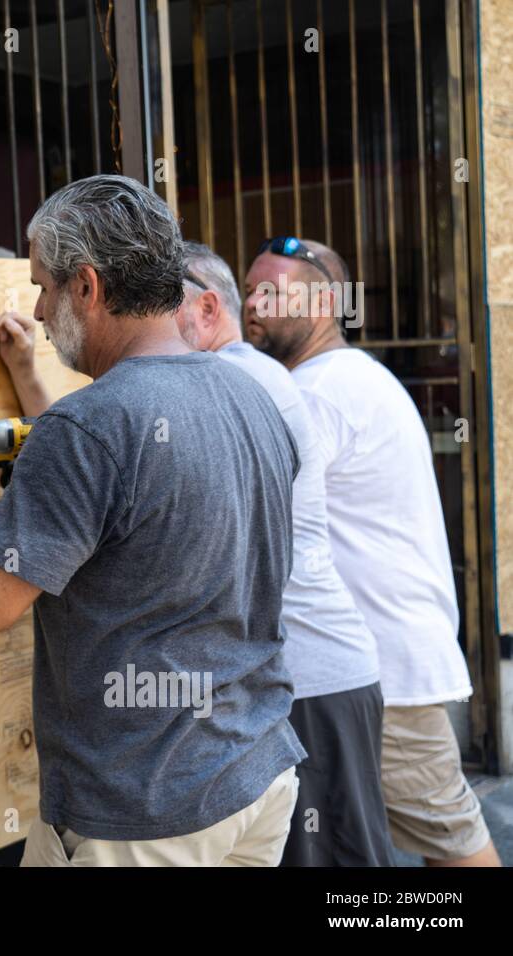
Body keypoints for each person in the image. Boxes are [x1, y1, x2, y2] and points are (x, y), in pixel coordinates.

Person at [0, 175, 306, 866]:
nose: (40, 310)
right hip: (255, 776)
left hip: (143, 813)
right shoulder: (249, 393)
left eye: (43, 287)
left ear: (87, 286)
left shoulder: (93, 424)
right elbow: (108, 496)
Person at [243, 236, 500, 867]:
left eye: (273, 292)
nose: (254, 303)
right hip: (383, 663)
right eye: (250, 289)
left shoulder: (318, 392)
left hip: (380, 667)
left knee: (452, 841)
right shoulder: (352, 377)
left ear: (326, 302)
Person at [176, 241, 391, 866]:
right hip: (301, 678)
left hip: (312, 678)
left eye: (162, 311)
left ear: (209, 310)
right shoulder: (250, 374)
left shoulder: (235, 380)